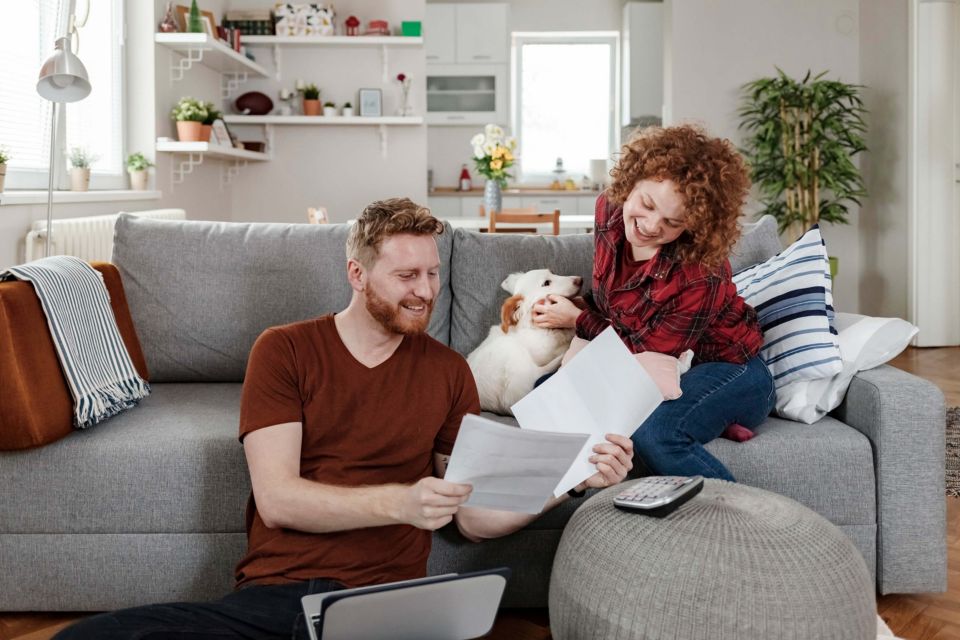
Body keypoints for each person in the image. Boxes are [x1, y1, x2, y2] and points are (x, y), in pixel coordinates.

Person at [55, 198, 633, 640]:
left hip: (388, 606)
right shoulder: (284, 350)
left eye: (431, 274)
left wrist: (574, 479)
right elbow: (279, 498)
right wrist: (402, 503)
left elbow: (476, 517)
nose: (425, 292)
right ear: (357, 274)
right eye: (406, 277)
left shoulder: (448, 371)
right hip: (278, 597)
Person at [532, 125, 775, 482]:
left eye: (672, 222)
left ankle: (738, 527)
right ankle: (714, 423)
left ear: (692, 227)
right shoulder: (608, 210)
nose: (648, 225)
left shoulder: (700, 272)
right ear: (631, 181)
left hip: (728, 367)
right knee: (545, 395)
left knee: (654, 435)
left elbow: (640, 354)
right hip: (665, 366)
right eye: (646, 204)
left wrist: (577, 319)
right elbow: (611, 304)